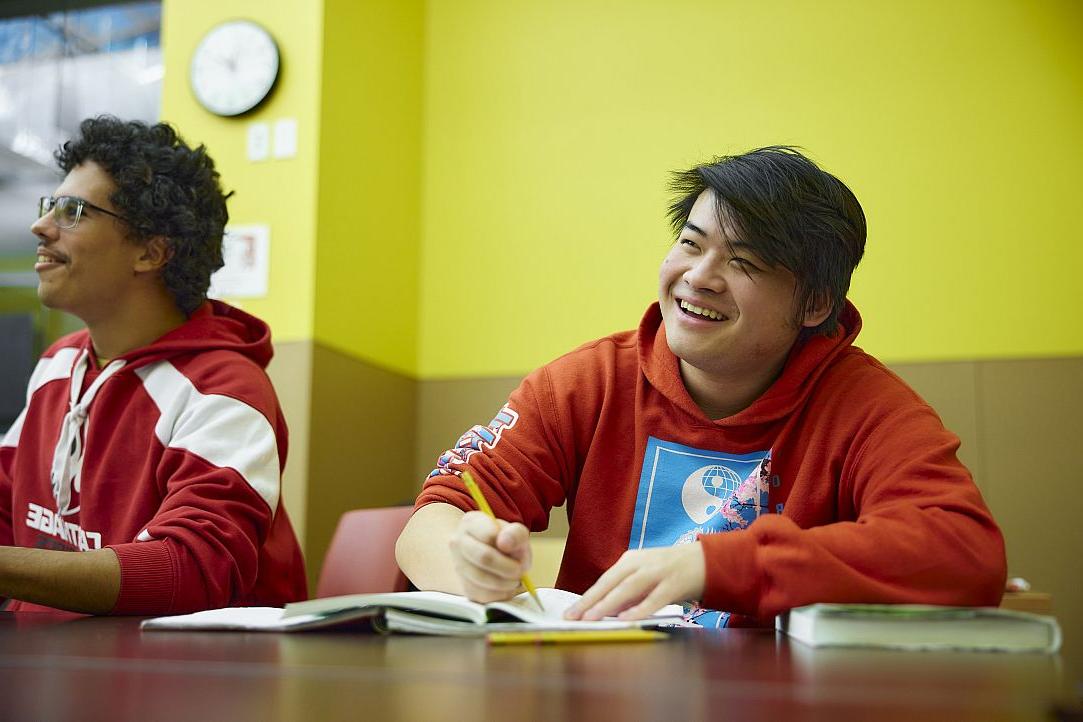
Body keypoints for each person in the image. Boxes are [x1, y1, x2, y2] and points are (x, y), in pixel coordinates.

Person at [396, 146, 1006, 627]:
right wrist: (471, 564)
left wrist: (717, 563)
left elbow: (965, 553)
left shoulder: (864, 407)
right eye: (691, 243)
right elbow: (432, 521)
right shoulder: (588, 382)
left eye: (743, 262)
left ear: (815, 303)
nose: (699, 278)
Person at [0, 116, 307, 614]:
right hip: (59, 667)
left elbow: (193, 566)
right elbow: (5, 505)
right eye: (49, 206)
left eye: (73, 210)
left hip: (186, 679)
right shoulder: (58, 365)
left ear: (150, 252)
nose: (41, 226)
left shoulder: (224, 389)